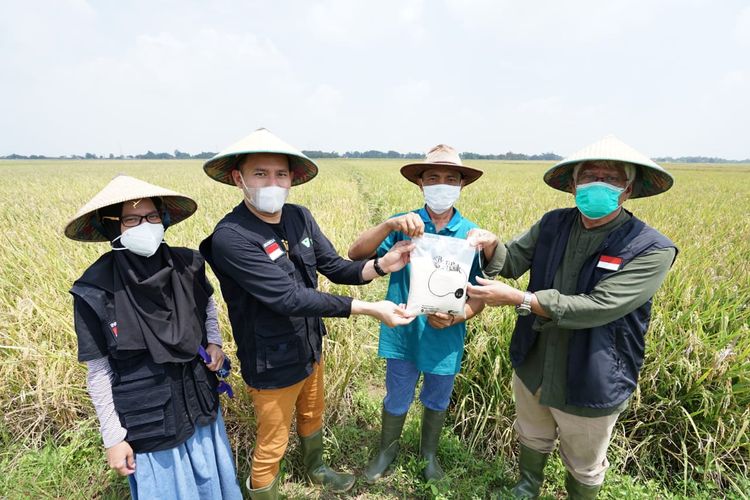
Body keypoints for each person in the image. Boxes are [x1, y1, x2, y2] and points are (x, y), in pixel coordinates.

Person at [199, 128, 416, 499]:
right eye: (260, 174)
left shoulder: (299, 217)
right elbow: (288, 299)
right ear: (239, 179)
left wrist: (382, 265)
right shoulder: (231, 237)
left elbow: (335, 266)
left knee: (312, 413)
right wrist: (368, 309)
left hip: (309, 346)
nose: (273, 182)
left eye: (280, 174)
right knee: (273, 439)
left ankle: (315, 468)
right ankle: (264, 490)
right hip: (270, 359)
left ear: (291, 180)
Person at [467, 135, 678, 499]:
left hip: (593, 370)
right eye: (589, 175)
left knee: (584, 460)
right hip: (536, 358)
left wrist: (521, 299)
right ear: (574, 184)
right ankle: (526, 487)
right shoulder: (553, 224)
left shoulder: (651, 248)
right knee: (532, 432)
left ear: (627, 190)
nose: (598, 183)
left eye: (610, 178)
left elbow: (601, 306)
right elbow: (512, 261)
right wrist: (491, 245)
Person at [65, 175, 243, 499]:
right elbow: (99, 371)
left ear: (163, 218)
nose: (143, 225)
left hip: (199, 408)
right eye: (131, 219)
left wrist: (214, 343)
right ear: (111, 227)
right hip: (150, 424)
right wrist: (113, 438)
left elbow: (207, 306)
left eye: (151, 216)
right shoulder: (94, 291)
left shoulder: (188, 264)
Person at [347, 144, 487, 483]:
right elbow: (354, 254)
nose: (442, 184)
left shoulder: (471, 235)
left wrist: (461, 315)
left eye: (450, 178)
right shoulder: (405, 225)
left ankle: (428, 456)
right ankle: (387, 451)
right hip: (404, 329)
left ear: (461, 185)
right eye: (433, 177)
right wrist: (387, 224)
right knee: (397, 393)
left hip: (446, 333)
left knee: (438, 396)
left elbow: (480, 294)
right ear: (421, 184)